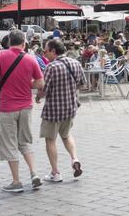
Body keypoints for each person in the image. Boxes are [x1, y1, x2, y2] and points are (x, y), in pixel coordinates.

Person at [0, 30, 44, 192]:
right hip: (26, 107)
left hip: (8, 107)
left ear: (10, 42)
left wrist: (0, 79)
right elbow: (40, 84)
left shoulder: (2, 55)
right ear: (24, 43)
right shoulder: (31, 59)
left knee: (9, 143)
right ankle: (34, 173)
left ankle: (16, 181)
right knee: (24, 141)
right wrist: (27, 83)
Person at [36, 40, 86, 182]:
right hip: (70, 107)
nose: (45, 54)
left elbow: (44, 89)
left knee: (50, 140)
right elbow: (82, 84)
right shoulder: (75, 63)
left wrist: (37, 97)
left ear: (53, 51)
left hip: (53, 110)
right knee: (66, 134)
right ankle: (74, 159)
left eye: (45, 51)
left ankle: (55, 172)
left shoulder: (51, 67)